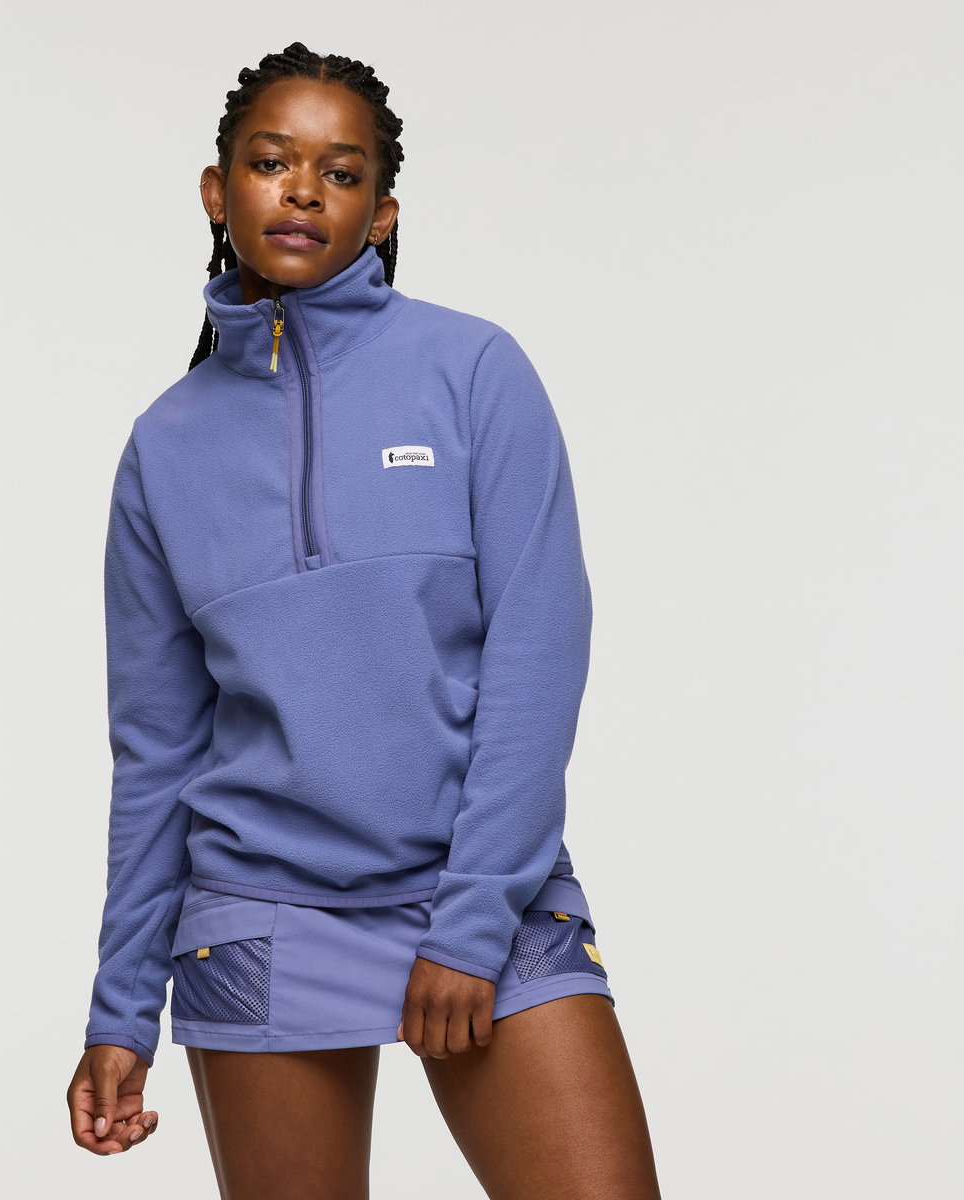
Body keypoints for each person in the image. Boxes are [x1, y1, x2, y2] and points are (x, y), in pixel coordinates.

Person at [66, 42, 661, 1200]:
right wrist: (122, 1010)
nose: (302, 191)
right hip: (259, 911)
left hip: (485, 887)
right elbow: (156, 754)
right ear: (217, 190)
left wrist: (471, 925)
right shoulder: (165, 448)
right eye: (271, 162)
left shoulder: (473, 371)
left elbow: (538, 655)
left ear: (381, 215)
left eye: (340, 174)